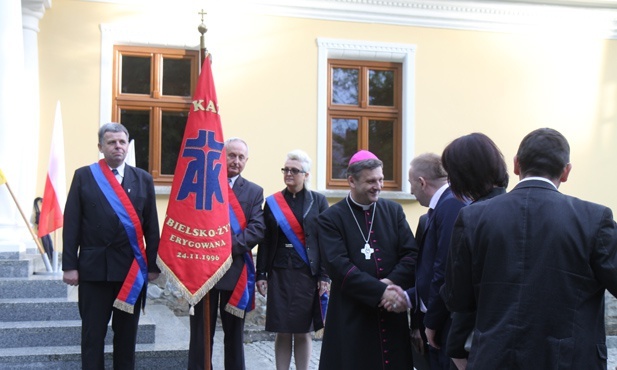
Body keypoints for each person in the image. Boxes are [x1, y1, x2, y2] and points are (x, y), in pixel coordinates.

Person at [442, 128, 617, 369]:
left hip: (496, 358)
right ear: (566, 172)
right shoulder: (594, 219)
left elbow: (457, 299)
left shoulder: (473, 217)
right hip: (568, 360)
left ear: (516, 165)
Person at [62, 122, 160, 370]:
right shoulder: (84, 175)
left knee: (126, 338)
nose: (118, 146)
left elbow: (151, 226)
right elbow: (72, 222)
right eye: (111, 142)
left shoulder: (143, 179)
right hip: (94, 271)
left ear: (128, 146)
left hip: (131, 272)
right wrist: (69, 266)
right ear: (100, 146)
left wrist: (152, 265)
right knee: (92, 337)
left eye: (122, 142)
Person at [317, 150, 417, 369]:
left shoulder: (393, 211)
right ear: (351, 181)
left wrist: (388, 285)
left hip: (391, 311)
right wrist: (379, 291)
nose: (378, 186)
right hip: (352, 312)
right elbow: (338, 266)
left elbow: (411, 254)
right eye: (371, 181)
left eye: (381, 179)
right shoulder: (331, 218)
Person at [188, 137, 266, 370]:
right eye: (231, 155)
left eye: (241, 157)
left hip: (236, 272)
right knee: (201, 335)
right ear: (221, 157)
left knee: (234, 336)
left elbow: (257, 228)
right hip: (204, 271)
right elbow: (193, 221)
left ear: (246, 161)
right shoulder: (202, 184)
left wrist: (226, 247)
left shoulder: (254, 191)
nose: (236, 161)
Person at [439, 133, 509, 370]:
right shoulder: (522, 209)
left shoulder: (472, 217)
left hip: (481, 344)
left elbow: (459, 294)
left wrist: (456, 349)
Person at [256, 149, 329, 370]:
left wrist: (324, 276)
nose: (288, 174)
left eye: (294, 170)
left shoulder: (318, 201)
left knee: (303, 330)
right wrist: (261, 274)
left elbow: (325, 241)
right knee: (283, 328)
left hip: (307, 274)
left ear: (306, 174)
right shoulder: (273, 202)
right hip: (279, 272)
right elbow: (266, 240)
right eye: (286, 169)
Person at [403, 153, 466, 370]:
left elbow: (443, 269)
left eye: (411, 183)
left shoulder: (450, 205)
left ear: (422, 182)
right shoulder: (442, 206)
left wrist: (431, 322)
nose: (410, 191)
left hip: (444, 323)